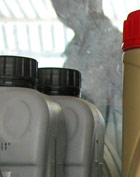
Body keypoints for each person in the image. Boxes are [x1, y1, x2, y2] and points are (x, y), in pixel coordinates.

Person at [51, 0, 122, 155]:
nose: (61, 11)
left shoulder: (115, 47)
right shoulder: (74, 50)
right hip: (80, 144)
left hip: (106, 149)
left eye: (64, 3)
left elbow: (120, 112)